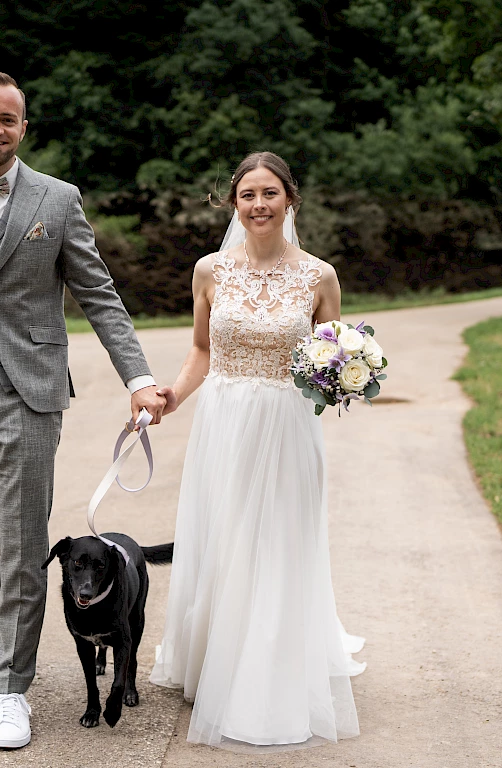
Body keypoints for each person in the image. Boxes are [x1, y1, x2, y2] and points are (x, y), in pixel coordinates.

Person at [0, 70, 166, 750]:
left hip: (31, 393)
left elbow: (99, 295)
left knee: (21, 549)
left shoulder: (58, 199)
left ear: (23, 127)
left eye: (7, 119)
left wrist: (138, 377)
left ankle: (12, 689)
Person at [149, 151, 366, 749]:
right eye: (248, 195)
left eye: (270, 193)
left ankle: (270, 672)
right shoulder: (209, 271)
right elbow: (201, 351)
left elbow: (330, 355)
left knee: (278, 542)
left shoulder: (319, 277)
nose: (259, 205)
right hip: (224, 423)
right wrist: (170, 397)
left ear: (290, 200)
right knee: (227, 538)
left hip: (288, 425)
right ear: (233, 204)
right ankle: (216, 658)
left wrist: (346, 375)